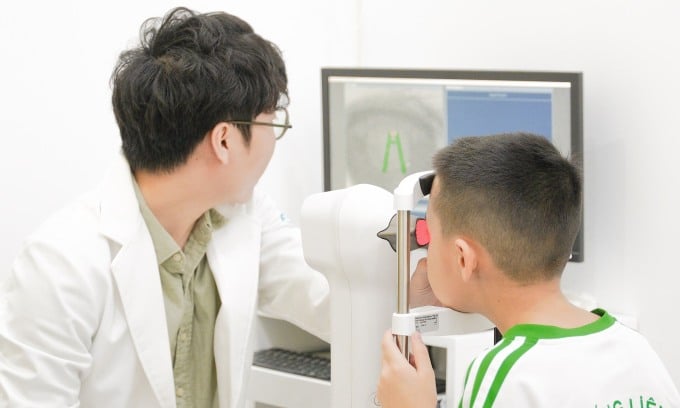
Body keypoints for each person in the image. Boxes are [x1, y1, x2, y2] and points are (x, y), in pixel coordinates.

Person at [0, 7, 329, 408]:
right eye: (271, 122)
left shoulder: (242, 213)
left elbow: (321, 294)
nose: (275, 140)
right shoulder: (60, 265)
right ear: (224, 140)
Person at [377, 133, 680, 407]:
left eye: (427, 234)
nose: (424, 246)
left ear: (463, 259)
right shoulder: (637, 350)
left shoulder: (505, 374)